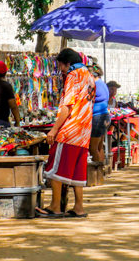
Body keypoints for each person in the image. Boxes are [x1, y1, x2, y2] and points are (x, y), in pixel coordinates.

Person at [40, 48, 94, 218]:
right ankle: (79, 207)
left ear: (67, 63)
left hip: (70, 131)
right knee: (78, 172)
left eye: (61, 66)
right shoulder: (89, 75)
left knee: (54, 170)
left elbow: (67, 106)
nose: (61, 70)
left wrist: (54, 129)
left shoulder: (73, 75)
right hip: (84, 131)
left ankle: (55, 206)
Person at [89, 66, 110, 164]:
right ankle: (100, 173)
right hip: (103, 116)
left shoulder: (96, 85)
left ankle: (96, 174)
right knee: (99, 147)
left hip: (98, 118)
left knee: (93, 149)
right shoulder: (102, 84)